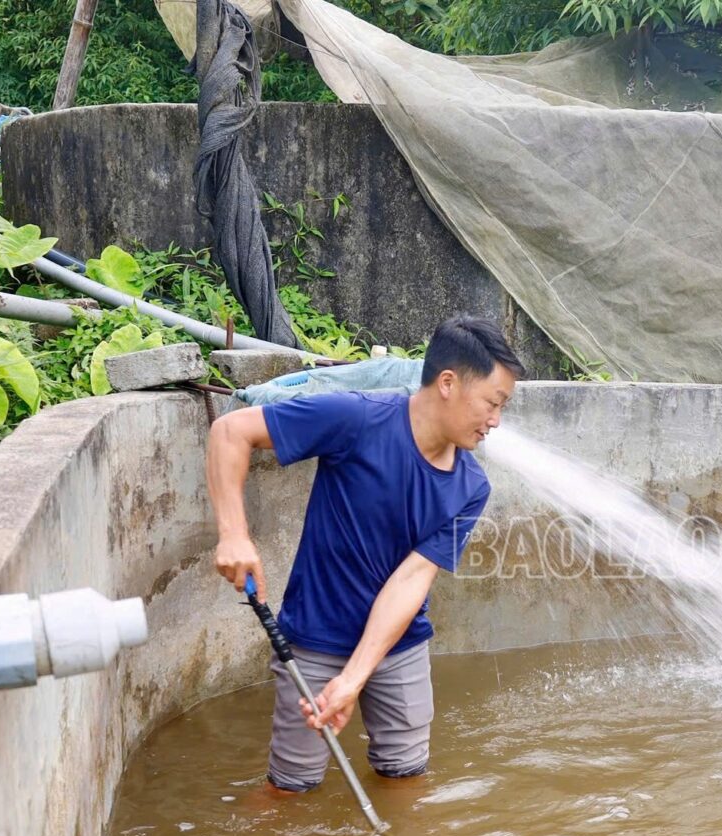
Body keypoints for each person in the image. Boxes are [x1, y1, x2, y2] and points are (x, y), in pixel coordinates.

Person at [206, 314, 522, 794]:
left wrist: (355, 678)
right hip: (314, 640)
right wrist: (233, 534)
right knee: (290, 790)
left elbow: (411, 581)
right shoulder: (358, 419)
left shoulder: (470, 486)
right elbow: (231, 432)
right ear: (449, 383)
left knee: (406, 780)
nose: (496, 420)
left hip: (400, 647)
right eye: (492, 402)